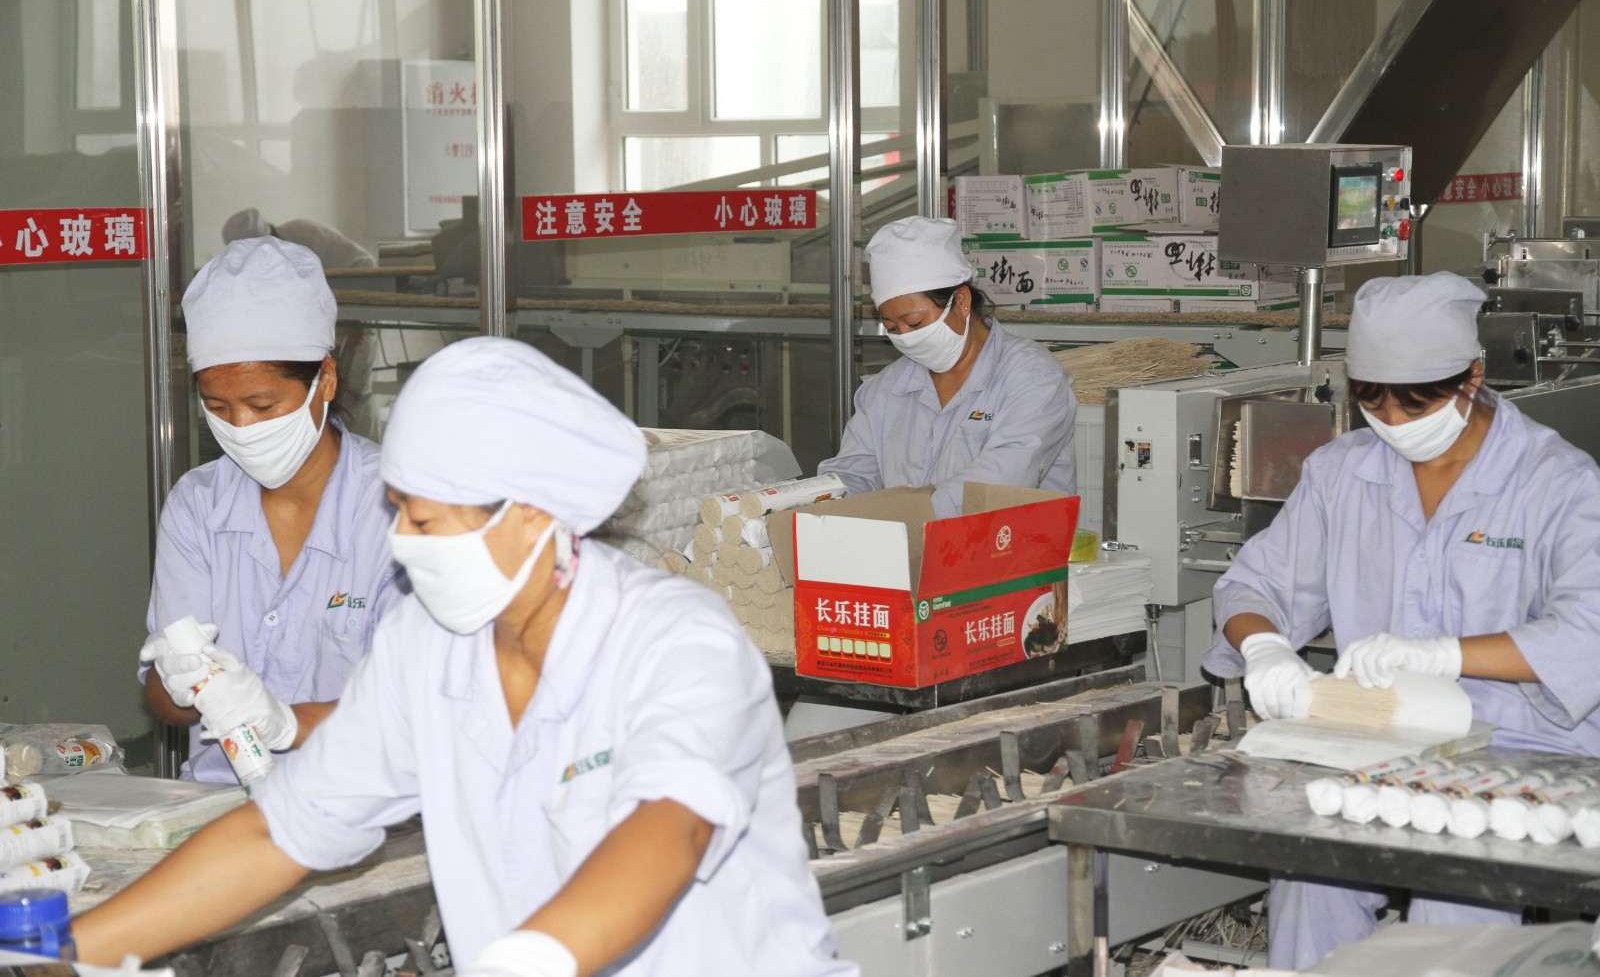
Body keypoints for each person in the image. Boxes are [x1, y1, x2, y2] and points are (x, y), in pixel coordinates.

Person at [78, 337, 856, 977]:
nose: (401, 543)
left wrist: (528, 961)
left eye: (425, 522)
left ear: (531, 517)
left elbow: (667, 832)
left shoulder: (676, 642)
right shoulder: (426, 650)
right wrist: (70, 950)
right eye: (398, 515)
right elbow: (278, 833)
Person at [1203, 272, 1600, 970]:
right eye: (1371, 399)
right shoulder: (1342, 473)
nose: (1392, 420)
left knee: (1457, 903)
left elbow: (1587, 633)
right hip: (1378, 739)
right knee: (1310, 878)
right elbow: (1254, 583)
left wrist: (1443, 655)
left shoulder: (1557, 482)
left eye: (1416, 401)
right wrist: (1264, 647)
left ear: (1472, 375)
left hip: (1522, 745)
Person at [138, 237, 403, 783]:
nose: (241, 427)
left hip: (360, 801)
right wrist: (176, 681)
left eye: (262, 405)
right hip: (218, 801)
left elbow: (418, 708)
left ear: (325, 380)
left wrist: (284, 723)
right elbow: (167, 707)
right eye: (217, 406)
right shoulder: (199, 505)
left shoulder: (397, 507)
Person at [819, 215, 1077, 520]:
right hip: (906, 543)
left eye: (915, 323)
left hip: (1009, 545)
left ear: (961, 301)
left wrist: (902, 517)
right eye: (892, 328)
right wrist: (826, 505)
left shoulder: (1033, 378)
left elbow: (999, 483)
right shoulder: (885, 390)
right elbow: (854, 472)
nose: (906, 337)